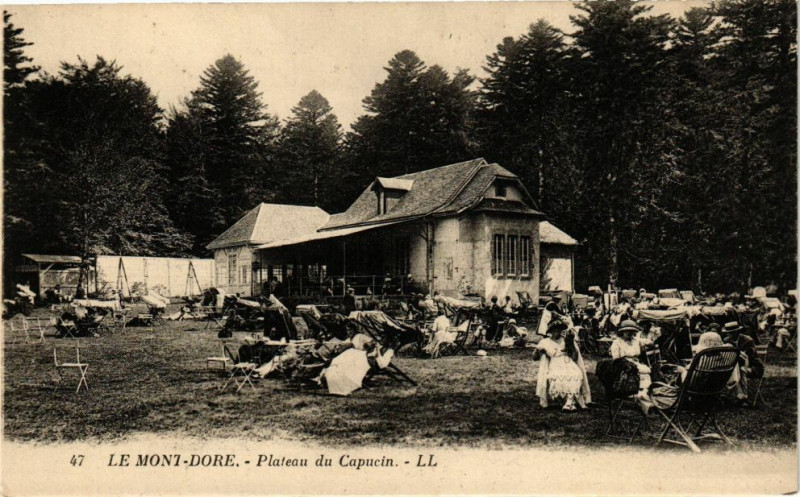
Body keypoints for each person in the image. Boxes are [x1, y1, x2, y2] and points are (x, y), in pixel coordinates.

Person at [533, 320, 591, 411]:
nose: (557, 332)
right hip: (554, 363)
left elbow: (575, 357)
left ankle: (569, 402)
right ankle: (569, 403)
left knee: (576, 373)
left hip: (568, 362)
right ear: (551, 331)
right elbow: (535, 357)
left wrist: (571, 346)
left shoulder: (566, 340)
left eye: (559, 330)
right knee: (560, 375)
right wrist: (538, 351)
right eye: (555, 330)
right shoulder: (545, 341)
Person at [609, 320, 652, 401]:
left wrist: (650, 343)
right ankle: (633, 393)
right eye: (627, 331)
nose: (629, 333)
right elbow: (616, 358)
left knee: (646, 371)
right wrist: (626, 363)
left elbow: (649, 342)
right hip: (623, 364)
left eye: (631, 331)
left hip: (636, 362)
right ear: (622, 332)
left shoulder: (636, 340)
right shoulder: (617, 342)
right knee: (639, 370)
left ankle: (644, 392)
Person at [721, 321, 764, 399]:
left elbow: (749, 357)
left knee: (740, 370)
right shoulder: (726, 340)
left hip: (752, 365)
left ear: (737, 332)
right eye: (728, 333)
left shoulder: (747, 340)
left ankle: (743, 396)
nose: (730, 335)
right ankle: (728, 394)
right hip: (734, 365)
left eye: (732, 332)